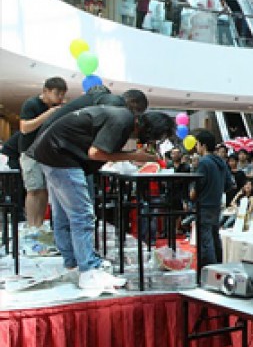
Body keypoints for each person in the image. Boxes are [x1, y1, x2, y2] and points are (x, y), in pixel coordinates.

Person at [26, 106, 174, 290]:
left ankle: (73, 264)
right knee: (82, 215)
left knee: (63, 215)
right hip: (62, 157)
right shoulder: (122, 121)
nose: (153, 142)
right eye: (156, 138)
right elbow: (95, 153)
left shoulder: (120, 116)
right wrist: (135, 155)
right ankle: (88, 271)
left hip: (52, 152)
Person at [19, 77, 67, 233]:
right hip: (30, 153)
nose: (60, 97)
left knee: (44, 190)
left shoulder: (56, 107)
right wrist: (48, 114)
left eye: (62, 94)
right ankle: (32, 227)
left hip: (46, 153)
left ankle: (39, 225)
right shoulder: (32, 104)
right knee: (34, 189)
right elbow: (25, 128)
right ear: (46, 91)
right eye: (57, 93)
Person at [190, 130, 233, 265]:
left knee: (206, 241)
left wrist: (193, 193)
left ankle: (209, 270)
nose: (196, 147)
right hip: (216, 204)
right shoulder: (221, 161)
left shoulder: (204, 162)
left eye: (197, 144)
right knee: (215, 238)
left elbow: (197, 186)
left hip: (204, 205)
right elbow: (229, 185)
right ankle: (218, 267)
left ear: (203, 145)